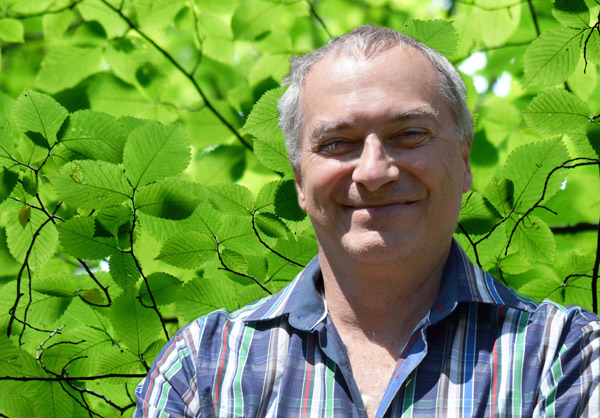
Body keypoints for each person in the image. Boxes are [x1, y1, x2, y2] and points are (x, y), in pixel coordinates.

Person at [134, 25, 599, 417]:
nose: (374, 172)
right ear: (299, 181)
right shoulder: (204, 368)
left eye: (409, 134)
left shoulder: (564, 356)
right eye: (337, 143)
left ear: (464, 161)